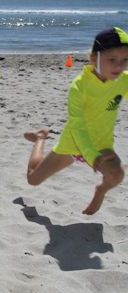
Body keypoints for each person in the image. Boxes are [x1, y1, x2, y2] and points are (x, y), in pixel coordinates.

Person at [24, 27, 128, 215]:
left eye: (125, 61)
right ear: (93, 58)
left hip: (101, 144)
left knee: (117, 174)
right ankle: (40, 138)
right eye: (112, 60)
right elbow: (77, 125)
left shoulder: (123, 80)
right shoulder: (79, 86)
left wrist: (96, 154)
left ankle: (101, 190)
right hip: (73, 143)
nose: (119, 67)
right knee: (33, 179)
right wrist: (90, 155)